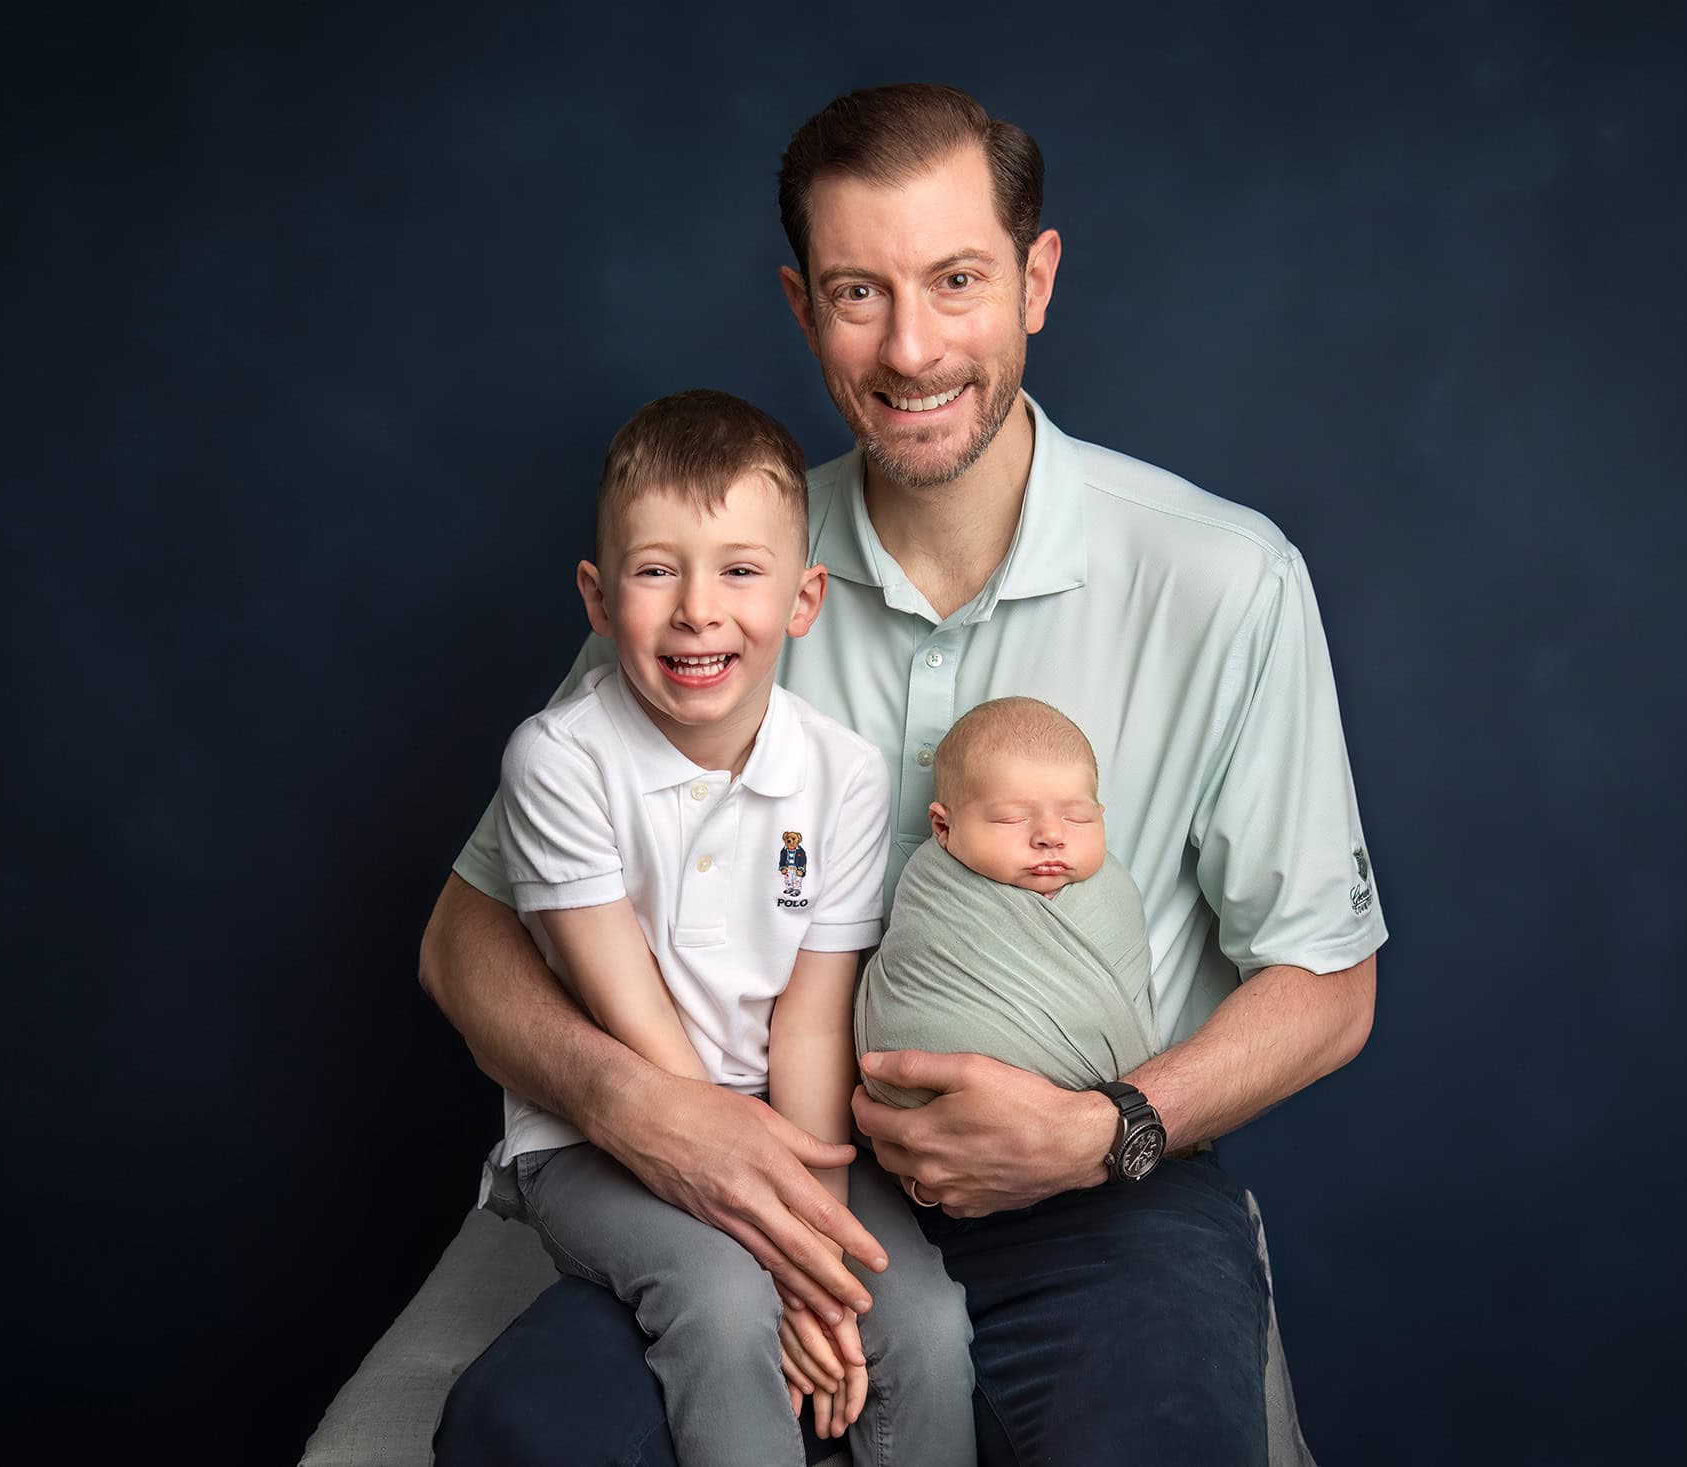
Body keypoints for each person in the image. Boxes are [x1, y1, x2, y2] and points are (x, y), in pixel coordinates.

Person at [425, 83, 1386, 1467]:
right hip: (757, 1170)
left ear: (1036, 279)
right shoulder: (723, 560)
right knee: (525, 1437)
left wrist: (1105, 1127)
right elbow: (471, 930)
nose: (913, 345)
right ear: (803, 306)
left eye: (955, 281)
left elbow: (1329, 979)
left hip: (1096, 1191)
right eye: (858, 292)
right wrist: (640, 1104)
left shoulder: (1226, 580)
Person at [486, 388, 975, 1465]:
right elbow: (634, 1019)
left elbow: (809, 1025)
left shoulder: (840, 774)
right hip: (607, 1130)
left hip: (780, 1116)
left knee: (922, 1324)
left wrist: (821, 1253)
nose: (698, 610)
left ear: (803, 600)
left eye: (739, 571)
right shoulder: (556, 762)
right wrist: (769, 1248)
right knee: (721, 1300)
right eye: (656, 569)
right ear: (597, 596)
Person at [856, 697, 1161, 1112]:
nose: (1051, 835)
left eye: (1078, 818)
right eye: (1012, 819)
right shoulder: (934, 891)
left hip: (1108, 1125)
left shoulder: (1112, 891)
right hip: (931, 1118)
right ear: (944, 827)